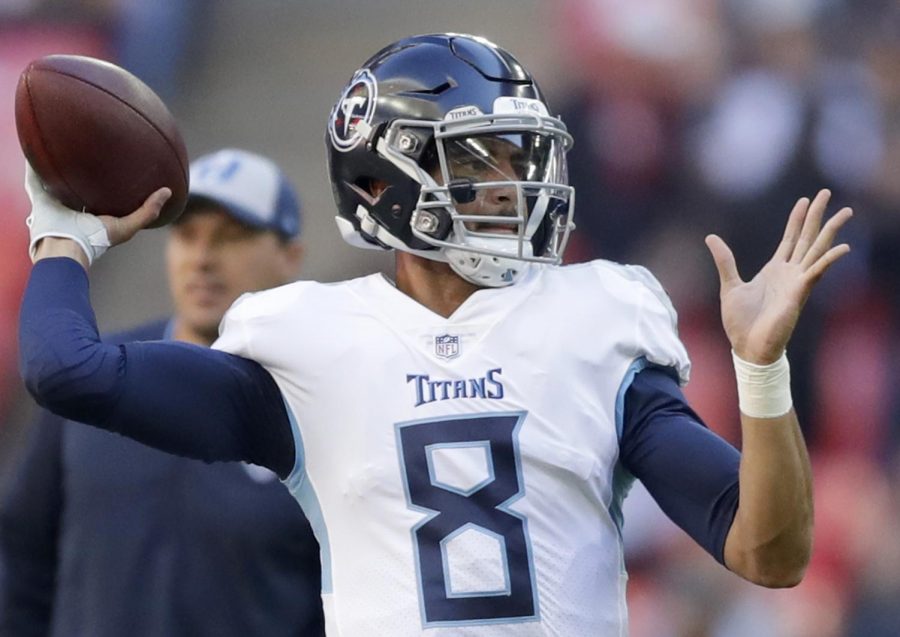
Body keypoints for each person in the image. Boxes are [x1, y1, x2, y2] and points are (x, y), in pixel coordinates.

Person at [15, 34, 853, 636]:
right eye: (483, 161)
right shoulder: (307, 345)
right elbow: (69, 373)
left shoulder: (594, 325)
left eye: (520, 157)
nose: (518, 184)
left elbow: (768, 551)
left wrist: (762, 370)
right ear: (384, 183)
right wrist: (66, 237)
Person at [1, 148, 324, 637]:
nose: (202, 258)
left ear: (291, 256)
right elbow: (22, 555)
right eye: (186, 234)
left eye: (231, 236)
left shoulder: (320, 403)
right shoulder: (92, 378)